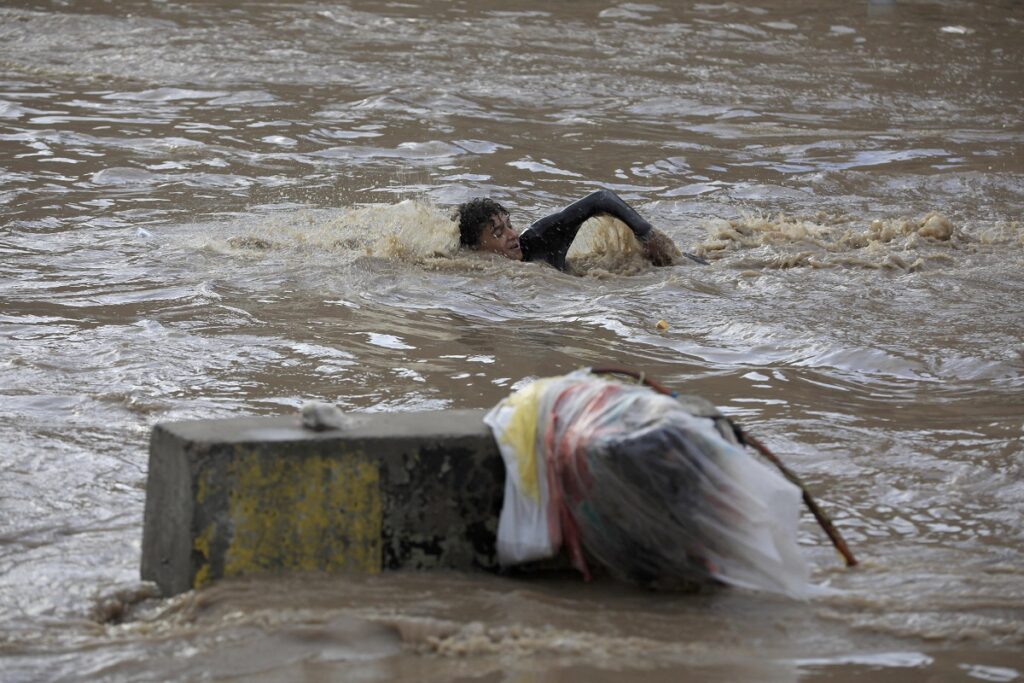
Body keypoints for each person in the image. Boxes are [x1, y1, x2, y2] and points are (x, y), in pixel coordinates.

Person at [453, 189, 707, 271]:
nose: (512, 235)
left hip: (666, 268)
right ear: (476, 248)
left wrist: (648, 235)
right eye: (498, 233)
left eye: (509, 225)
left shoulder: (540, 239)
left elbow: (601, 198)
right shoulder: (473, 272)